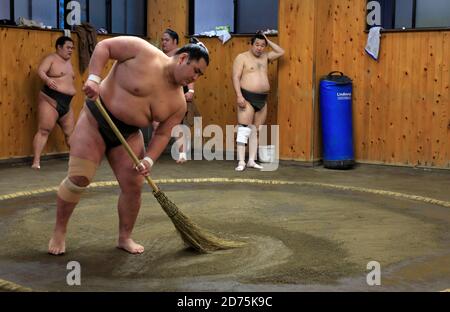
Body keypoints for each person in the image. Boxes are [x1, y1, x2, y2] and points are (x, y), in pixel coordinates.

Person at [47, 36, 209, 255]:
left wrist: (149, 159)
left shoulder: (178, 102)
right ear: (182, 58)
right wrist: (94, 78)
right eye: (196, 71)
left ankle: (125, 237)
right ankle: (59, 231)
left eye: (200, 75)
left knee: (134, 186)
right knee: (79, 178)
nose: (196, 78)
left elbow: (162, 133)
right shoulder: (142, 51)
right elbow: (105, 47)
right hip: (97, 120)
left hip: (129, 134)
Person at [232, 31, 284, 171]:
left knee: (255, 131)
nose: (259, 48)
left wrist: (267, 39)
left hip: (262, 99)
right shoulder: (241, 57)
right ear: (251, 44)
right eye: (257, 44)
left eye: (262, 45)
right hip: (246, 97)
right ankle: (241, 161)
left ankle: (251, 160)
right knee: (244, 130)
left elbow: (281, 51)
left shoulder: (266, 57)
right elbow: (236, 77)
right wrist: (239, 95)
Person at [31, 36, 76, 169]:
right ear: (59, 47)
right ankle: (36, 162)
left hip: (66, 103)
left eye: (72, 48)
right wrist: (47, 80)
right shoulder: (51, 58)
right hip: (50, 100)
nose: (71, 50)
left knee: (71, 134)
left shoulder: (68, 62)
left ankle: (75, 161)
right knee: (44, 130)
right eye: (68, 47)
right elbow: (40, 71)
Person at [157, 29, 199, 163]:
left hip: (179, 92)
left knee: (177, 124)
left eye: (167, 40)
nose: (163, 42)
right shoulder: (159, 55)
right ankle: (154, 152)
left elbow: (190, 73)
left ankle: (182, 153)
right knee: (156, 121)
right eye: (162, 40)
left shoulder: (182, 55)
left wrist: (191, 91)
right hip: (162, 93)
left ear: (175, 41)